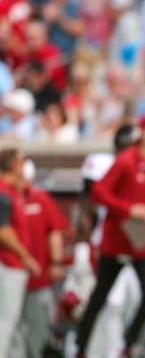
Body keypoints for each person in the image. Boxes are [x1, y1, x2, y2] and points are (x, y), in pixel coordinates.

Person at [74, 114, 145, 358]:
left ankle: (128, 343)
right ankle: (80, 348)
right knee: (100, 298)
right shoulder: (125, 161)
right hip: (115, 243)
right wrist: (129, 209)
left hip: (144, 244)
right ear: (142, 133)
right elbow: (98, 194)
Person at [9, 158, 67, 358]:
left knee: (38, 329)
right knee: (11, 330)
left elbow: (55, 231)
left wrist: (56, 262)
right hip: (10, 276)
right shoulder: (5, 197)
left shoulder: (40, 198)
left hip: (37, 277)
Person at [0, 148, 40, 357]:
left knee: (13, 325)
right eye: (22, 162)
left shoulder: (12, 191)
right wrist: (26, 257)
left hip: (12, 265)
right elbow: (3, 230)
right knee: (5, 322)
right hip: (8, 264)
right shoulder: (4, 193)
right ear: (14, 165)